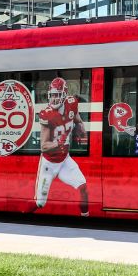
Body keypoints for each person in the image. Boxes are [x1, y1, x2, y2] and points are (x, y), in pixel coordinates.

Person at [33, 77, 89, 216]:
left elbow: (77, 120)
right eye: (52, 95)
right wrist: (58, 143)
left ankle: (85, 217)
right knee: (40, 203)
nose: (54, 99)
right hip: (49, 163)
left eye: (57, 95)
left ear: (64, 95)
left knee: (83, 187)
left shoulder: (71, 103)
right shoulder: (47, 114)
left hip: (64, 159)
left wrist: (80, 128)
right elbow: (44, 146)